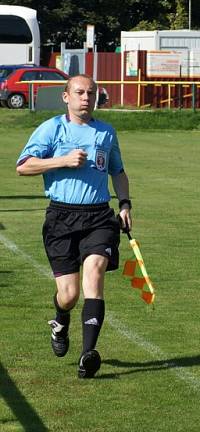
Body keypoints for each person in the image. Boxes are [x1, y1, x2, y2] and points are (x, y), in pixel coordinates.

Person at [15, 74, 132, 379]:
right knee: (68, 296)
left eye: (91, 93)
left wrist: (124, 204)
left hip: (98, 217)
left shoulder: (106, 132)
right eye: (79, 92)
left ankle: (88, 354)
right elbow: (23, 166)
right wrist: (62, 161)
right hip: (61, 218)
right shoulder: (52, 128)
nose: (85, 98)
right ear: (66, 97)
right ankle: (60, 320)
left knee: (93, 272)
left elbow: (118, 171)